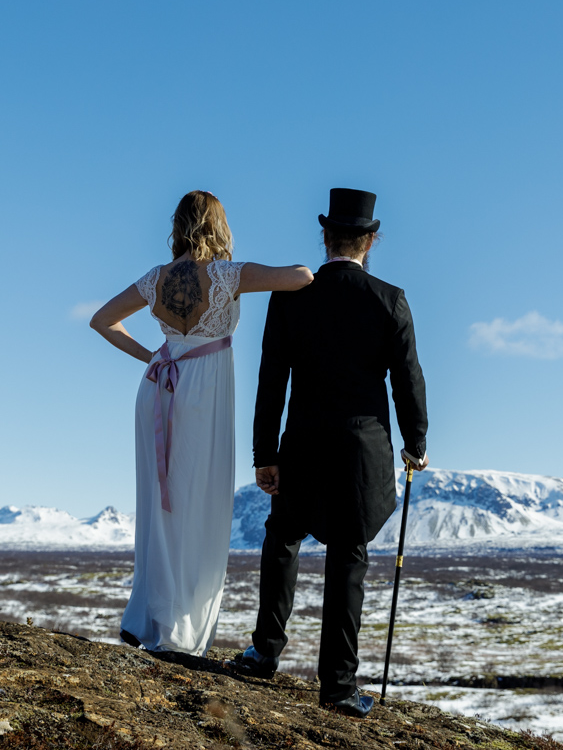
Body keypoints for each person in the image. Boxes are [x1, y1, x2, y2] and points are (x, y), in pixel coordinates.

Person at [90, 190, 313, 656]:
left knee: (159, 505)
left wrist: (150, 355)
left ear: (178, 225)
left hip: (159, 387)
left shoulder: (156, 278)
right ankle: (180, 623)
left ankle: (148, 614)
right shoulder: (230, 274)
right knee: (199, 505)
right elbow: (301, 277)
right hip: (201, 394)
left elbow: (102, 320)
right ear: (218, 225)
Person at [233, 188, 429, 718]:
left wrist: (263, 452)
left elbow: (270, 380)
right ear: (371, 240)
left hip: (301, 442)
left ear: (326, 237)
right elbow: (408, 380)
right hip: (362, 451)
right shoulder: (390, 299)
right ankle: (338, 687)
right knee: (349, 557)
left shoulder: (290, 297)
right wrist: (417, 442)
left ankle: (264, 654)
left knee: (282, 539)